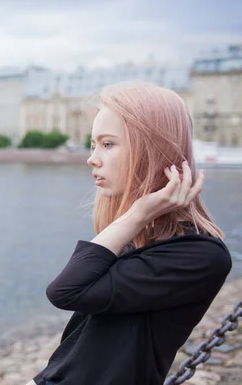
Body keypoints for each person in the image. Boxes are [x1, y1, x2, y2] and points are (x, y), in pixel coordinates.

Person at [28, 81, 232, 385]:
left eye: (108, 144)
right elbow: (78, 347)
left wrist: (137, 213)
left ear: (154, 149)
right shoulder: (138, 238)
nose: (92, 158)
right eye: (93, 144)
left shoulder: (200, 255)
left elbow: (65, 291)